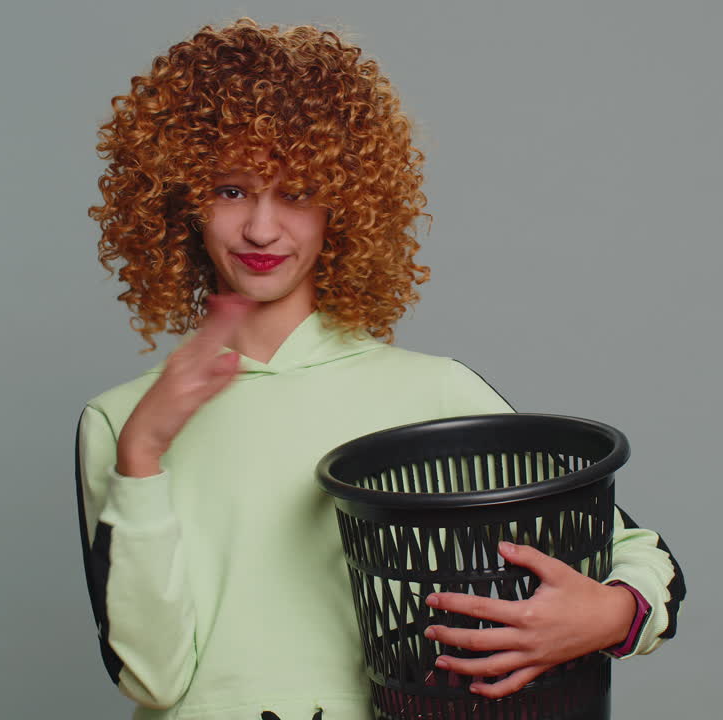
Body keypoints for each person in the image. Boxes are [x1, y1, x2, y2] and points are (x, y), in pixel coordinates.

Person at [76, 19, 684, 720]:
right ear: (180, 199)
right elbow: (151, 679)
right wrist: (143, 457)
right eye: (232, 190)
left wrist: (612, 615)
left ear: (348, 201)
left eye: (298, 191)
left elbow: (634, 551)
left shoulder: (436, 393)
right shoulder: (122, 421)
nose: (262, 229)